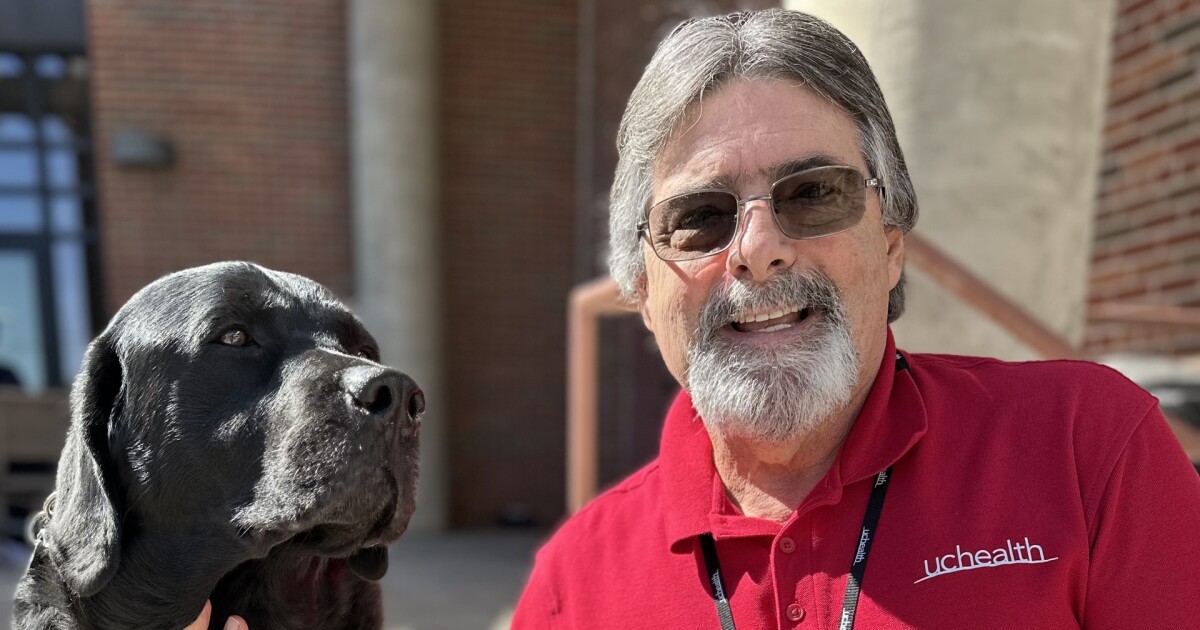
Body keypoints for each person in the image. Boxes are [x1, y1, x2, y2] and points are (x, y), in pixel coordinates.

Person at [510, 8, 1200, 629]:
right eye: (700, 219)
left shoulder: (1091, 450)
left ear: (892, 247)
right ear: (640, 285)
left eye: (813, 194)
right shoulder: (572, 585)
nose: (757, 250)